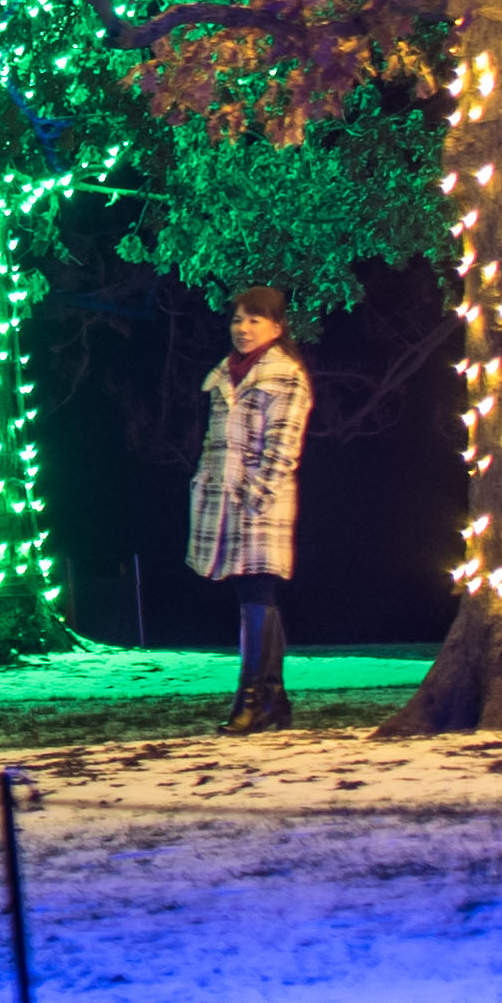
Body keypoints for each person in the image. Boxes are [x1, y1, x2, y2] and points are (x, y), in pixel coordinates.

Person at [188, 283, 312, 735]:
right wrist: (205, 480)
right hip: (223, 500)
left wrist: (254, 496)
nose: (242, 328)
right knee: (254, 593)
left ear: (276, 328)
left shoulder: (285, 376)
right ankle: (274, 697)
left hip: (261, 503)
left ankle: (251, 698)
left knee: (257, 591)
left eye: (254, 320)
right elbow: (213, 441)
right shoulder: (226, 374)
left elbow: (283, 448)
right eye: (238, 319)